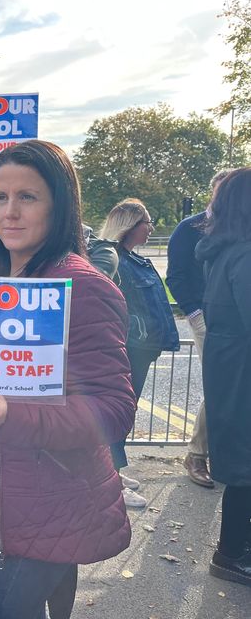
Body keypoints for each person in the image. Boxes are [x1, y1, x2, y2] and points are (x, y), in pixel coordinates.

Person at [0, 140, 135, 618]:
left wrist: (10, 416)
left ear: (59, 204)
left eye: (28, 197)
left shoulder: (81, 287)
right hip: (7, 505)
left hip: (40, 509)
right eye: (0, 198)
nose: (10, 212)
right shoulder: (6, 278)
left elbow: (113, 410)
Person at [99, 199, 179, 508]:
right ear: (132, 225)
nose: (151, 229)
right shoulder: (113, 260)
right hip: (127, 350)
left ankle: (113, 471)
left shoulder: (133, 260)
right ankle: (111, 481)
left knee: (124, 414)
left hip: (140, 349)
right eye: (147, 222)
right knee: (117, 415)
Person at [195, 167, 251, 587]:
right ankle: (233, 553)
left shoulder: (225, 249)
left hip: (231, 369)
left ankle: (232, 551)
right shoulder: (245, 253)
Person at [167, 170, 235, 489]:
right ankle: (197, 453)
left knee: (234, 381)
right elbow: (176, 275)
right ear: (213, 193)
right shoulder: (190, 227)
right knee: (220, 381)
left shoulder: (239, 226)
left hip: (235, 315)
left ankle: (225, 451)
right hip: (206, 315)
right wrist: (195, 313)